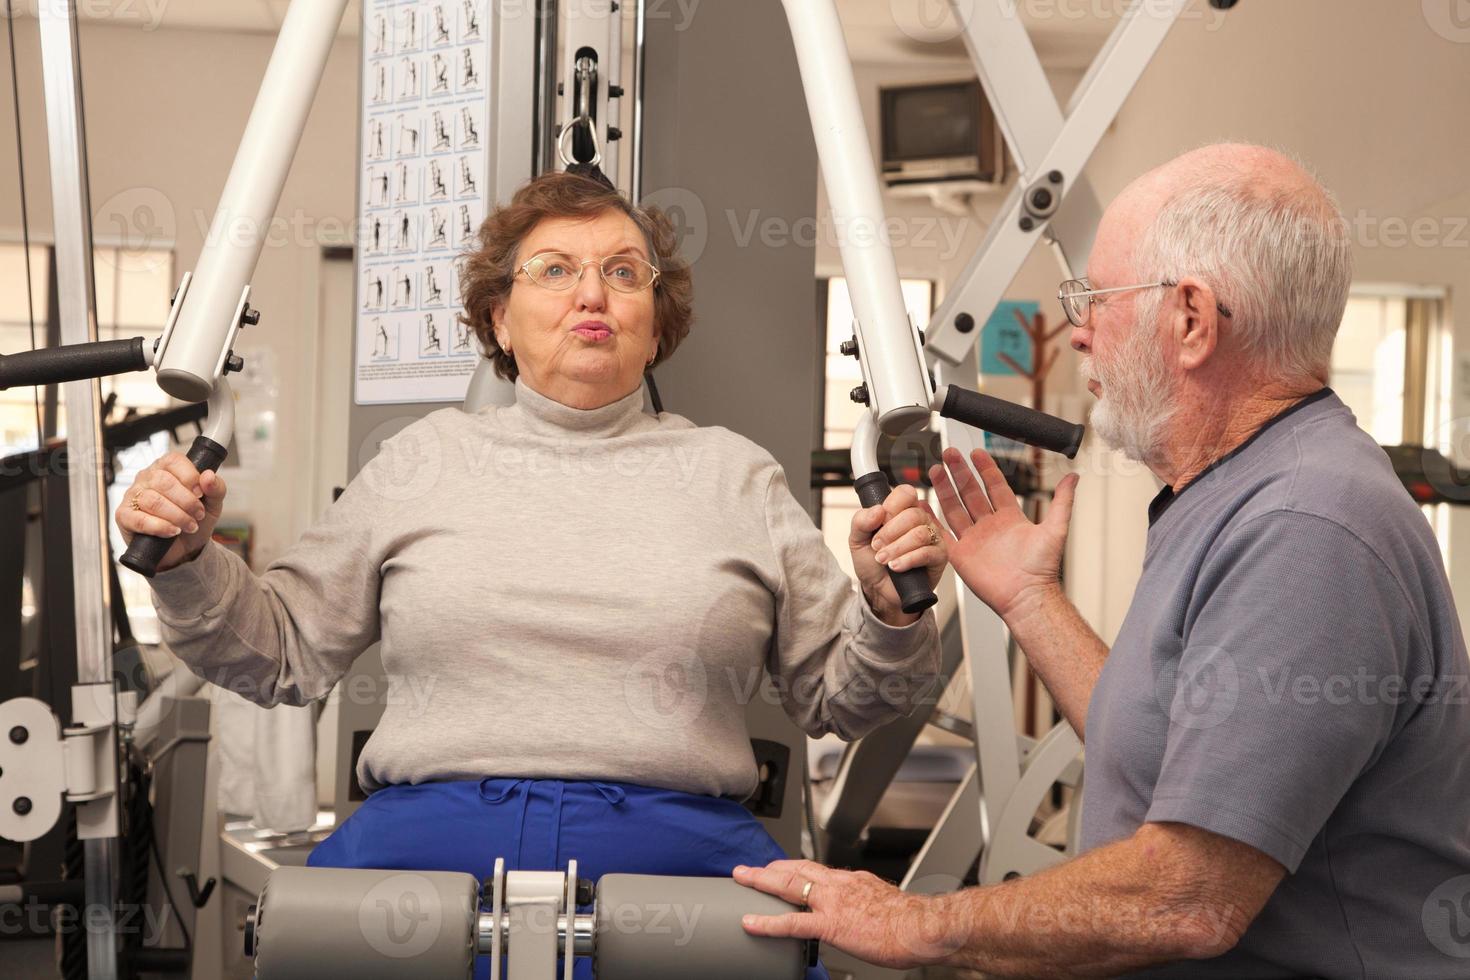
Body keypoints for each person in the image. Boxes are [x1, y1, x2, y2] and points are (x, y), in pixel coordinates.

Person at [117, 171, 947, 980]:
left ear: (655, 327)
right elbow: (279, 654)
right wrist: (190, 563)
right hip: (425, 847)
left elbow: (844, 700)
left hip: (675, 856)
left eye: (623, 274)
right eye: (555, 271)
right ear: (500, 321)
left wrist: (888, 613)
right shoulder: (421, 460)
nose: (592, 295)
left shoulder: (737, 476)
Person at [737, 143, 1470, 977]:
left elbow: (1190, 897)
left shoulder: (1307, 525)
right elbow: (1169, 752)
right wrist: (1029, 598)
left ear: (1191, 320)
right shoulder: (1240, 492)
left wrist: (915, 923)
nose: (1077, 331)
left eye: (1095, 298)